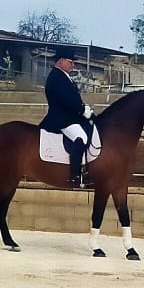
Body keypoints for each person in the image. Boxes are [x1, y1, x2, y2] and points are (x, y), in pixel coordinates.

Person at [40, 51, 94, 189]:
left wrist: (84, 108)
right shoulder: (56, 78)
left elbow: (73, 98)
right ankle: (75, 176)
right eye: (70, 62)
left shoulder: (64, 77)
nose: (73, 65)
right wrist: (82, 110)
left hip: (70, 117)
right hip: (61, 119)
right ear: (61, 61)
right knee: (80, 137)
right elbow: (66, 100)